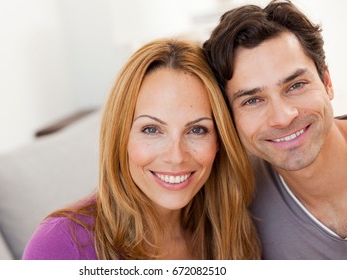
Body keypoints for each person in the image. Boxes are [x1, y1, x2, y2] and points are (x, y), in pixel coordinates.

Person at [22, 38, 261, 260]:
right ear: (120, 137)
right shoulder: (61, 244)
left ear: (219, 141)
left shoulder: (230, 228)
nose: (176, 156)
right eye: (151, 130)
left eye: (197, 130)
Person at [203, 0, 347, 259]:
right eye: (252, 101)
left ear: (327, 82)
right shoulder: (235, 202)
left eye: (296, 85)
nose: (282, 117)